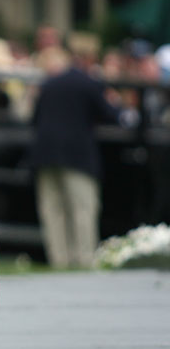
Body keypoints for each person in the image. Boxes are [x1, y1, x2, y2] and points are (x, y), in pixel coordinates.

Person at [27, 32, 125, 269]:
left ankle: (59, 261)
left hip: (45, 154)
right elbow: (112, 116)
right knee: (83, 209)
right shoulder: (90, 84)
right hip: (78, 156)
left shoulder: (50, 83)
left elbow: (34, 117)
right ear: (90, 56)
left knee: (53, 211)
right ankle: (83, 260)